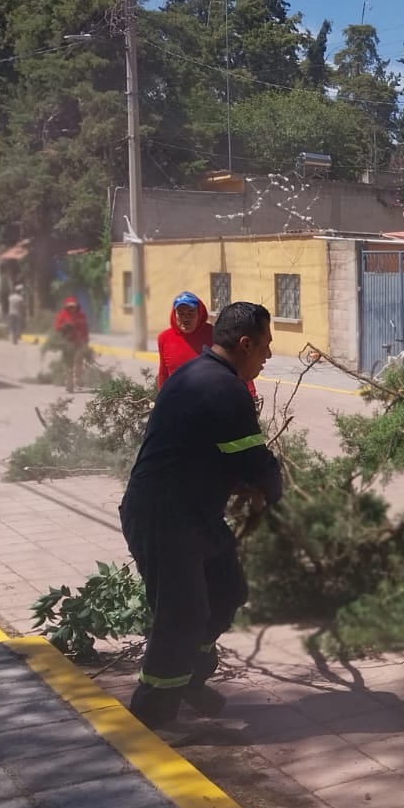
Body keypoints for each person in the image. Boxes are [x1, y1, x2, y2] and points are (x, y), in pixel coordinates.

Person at [119, 301, 282, 729]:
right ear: (245, 344)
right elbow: (256, 463)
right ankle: (151, 715)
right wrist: (267, 489)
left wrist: (240, 479)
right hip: (164, 517)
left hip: (192, 514)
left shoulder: (203, 375)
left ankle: (188, 677)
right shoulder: (222, 388)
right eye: (264, 347)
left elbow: (220, 453)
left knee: (227, 590)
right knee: (182, 613)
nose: (267, 357)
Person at [157, 291, 214, 388]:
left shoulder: (214, 334)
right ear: (174, 315)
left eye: (191, 313)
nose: (186, 319)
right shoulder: (164, 338)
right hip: (177, 398)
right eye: (181, 313)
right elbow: (163, 373)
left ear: (199, 314)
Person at [52, 296, 90, 392]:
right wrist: (64, 326)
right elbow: (57, 327)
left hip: (79, 341)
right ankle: (69, 383)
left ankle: (78, 380)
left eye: (73, 307)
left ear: (76, 306)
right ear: (66, 307)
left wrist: (85, 339)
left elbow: (85, 327)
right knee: (69, 363)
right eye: (70, 307)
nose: (72, 309)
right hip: (67, 342)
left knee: (79, 361)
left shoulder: (81, 315)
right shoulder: (62, 315)